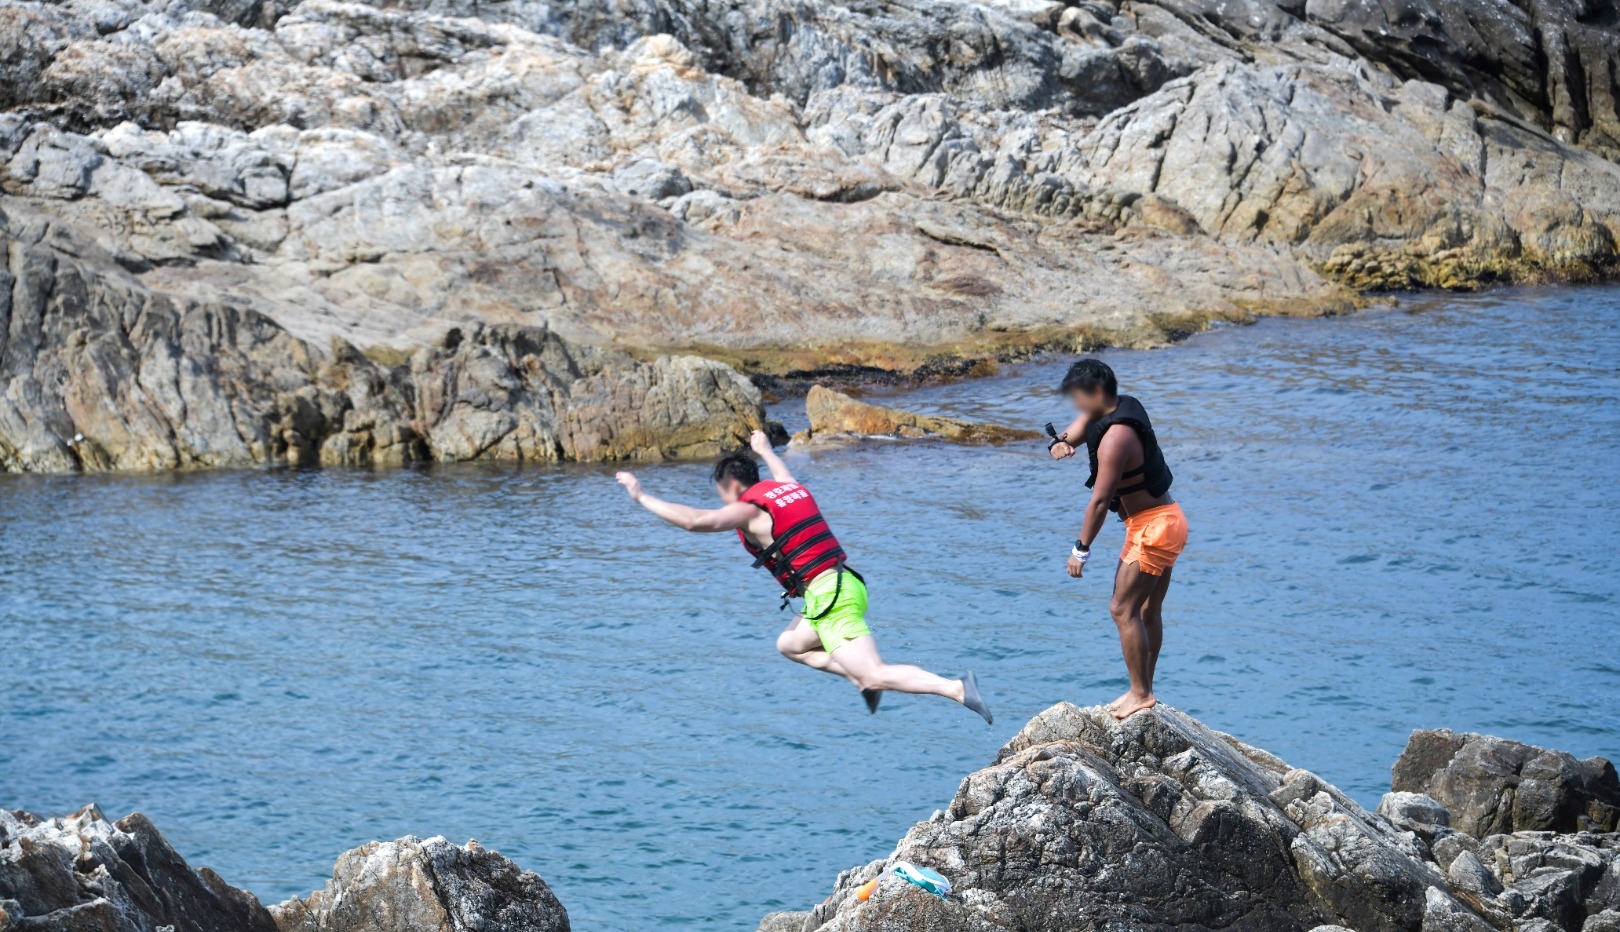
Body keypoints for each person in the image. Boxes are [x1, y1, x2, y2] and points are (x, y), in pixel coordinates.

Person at [614, 430, 993, 724]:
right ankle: (857, 676)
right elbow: (782, 473)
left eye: (723, 495)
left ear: (731, 488)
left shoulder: (748, 509)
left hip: (831, 597)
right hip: (843, 584)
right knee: (790, 645)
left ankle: (957, 688)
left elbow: (697, 521)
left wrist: (641, 495)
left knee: (876, 674)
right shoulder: (789, 489)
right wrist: (764, 449)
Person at [1047, 359, 1188, 720]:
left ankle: (1141, 694)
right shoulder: (1117, 407)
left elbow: (1099, 500)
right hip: (1163, 521)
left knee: (1122, 609)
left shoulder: (1116, 439)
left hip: (1152, 528)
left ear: (1096, 393)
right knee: (1144, 610)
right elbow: (1082, 426)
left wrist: (1080, 550)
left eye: (1079, 398)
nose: (1076, 407)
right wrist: (1060, 442)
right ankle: (1142, 689)